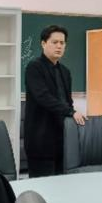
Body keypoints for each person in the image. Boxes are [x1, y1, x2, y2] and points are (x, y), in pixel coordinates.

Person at [24, 25, 87, 177]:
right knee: (42, 185)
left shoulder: (65, 72)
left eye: (62, 43)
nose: (59, 46)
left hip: (62, 139)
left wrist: (71, 114)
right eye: (54, 42)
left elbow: (67, 101)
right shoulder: (34, 67)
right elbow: (43, 97)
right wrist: (71, 112)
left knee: (61, 184)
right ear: (43, 43)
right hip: (40, 140)